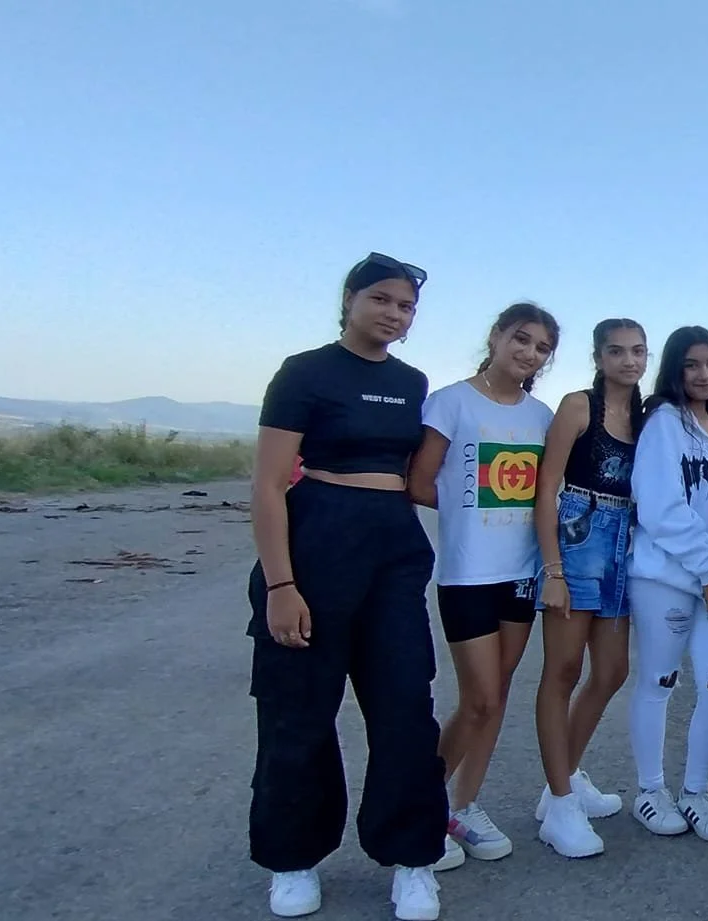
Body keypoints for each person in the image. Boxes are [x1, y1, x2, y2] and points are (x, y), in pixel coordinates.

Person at [245, 252, 459, 921]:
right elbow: (268, 484)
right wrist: (282, 582)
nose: (396, 314)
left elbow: (426, 471)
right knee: (300, 709)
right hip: (317, 542)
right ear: (350, 298)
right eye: (384, 300)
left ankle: (413, 858)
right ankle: (294, 857)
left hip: (393, 545)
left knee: (404, 705)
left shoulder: (412, 380)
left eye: (407, 306)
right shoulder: (304, 373)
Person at [406, 302, 561, 862]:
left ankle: (461, 808)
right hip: (467, 575)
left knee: (497, 698)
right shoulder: (449, 403)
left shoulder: (542, 417)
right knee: (479, 697)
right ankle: (422, 808)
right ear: (496, 337)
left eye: (542, 348)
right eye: (521, 339)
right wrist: (470, 518)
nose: (529, 353)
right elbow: (421, 484)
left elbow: (546, 491)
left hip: (521, 575)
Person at [625, 326, 708, 843]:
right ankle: (650, 791)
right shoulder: (663, 422)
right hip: (669, 580)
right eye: (692, 365)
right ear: (675, 370)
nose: (704, 375)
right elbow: (659, 505)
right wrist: (706, 569)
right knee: (659, 682)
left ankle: (696, 792)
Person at [529, 317, 648, 859]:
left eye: (638, 351)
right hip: (578, 532)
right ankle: (559, 802)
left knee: (613, 670)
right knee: (563, 670)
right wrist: (552, 570)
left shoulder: (647, 417)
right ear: (599, 357)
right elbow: (546, 486)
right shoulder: (579, 406)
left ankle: (564, 779)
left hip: (623, 538)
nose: (629, 361)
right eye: (617, 351)